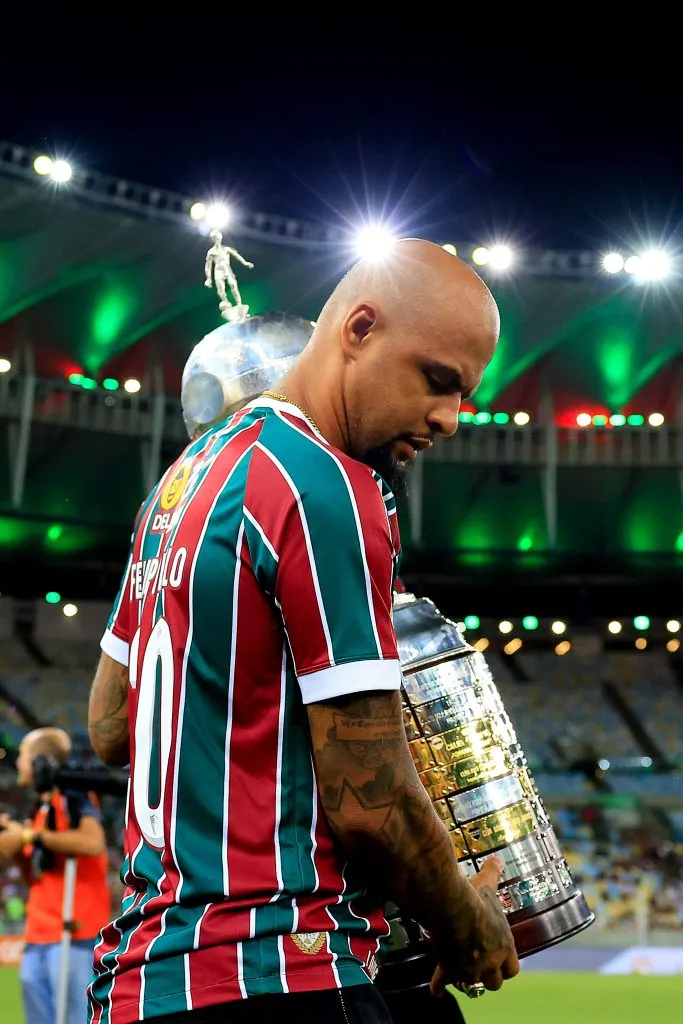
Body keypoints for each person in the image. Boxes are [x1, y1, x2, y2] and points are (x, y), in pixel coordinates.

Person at [87, 238, 519, 1024]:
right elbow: (371, 800)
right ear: (358, 329)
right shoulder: (325, 484)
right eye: (437, 380)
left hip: (142, 980)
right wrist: (468, 920)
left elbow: (111, 727)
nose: (452, 418)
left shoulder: (177, 488)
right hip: (281, 964)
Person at [0, 727, 109, 1024]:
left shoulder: (73, 794)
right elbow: (37, 875)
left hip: (74, 934)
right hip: (38, 933)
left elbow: (92, 842)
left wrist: (27, 836)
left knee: (74, 1018)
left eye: (22, 755)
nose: (18, 762)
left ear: (38, 760)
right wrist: (17, 845)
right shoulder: (39, 807)